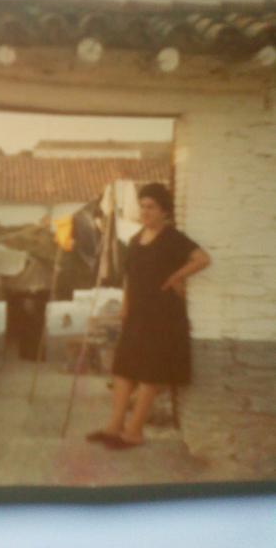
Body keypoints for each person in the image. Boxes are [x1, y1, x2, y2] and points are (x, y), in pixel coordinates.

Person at [87, 182, 211, 449]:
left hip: (163, 314)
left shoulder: (173, 238)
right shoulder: (135, 240)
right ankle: (113, 427)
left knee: (149, 373)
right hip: (137, 312)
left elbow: (202, 259)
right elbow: (130, 277)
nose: (145, 211)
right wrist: (125, 305)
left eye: (151, 207)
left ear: (164, 211)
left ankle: (134, 432)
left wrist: (176, 276)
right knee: (123, 369)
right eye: (142, 206)